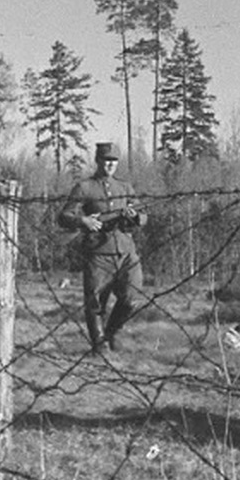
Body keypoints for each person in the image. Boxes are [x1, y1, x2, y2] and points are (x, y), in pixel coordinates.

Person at [57, 142, 148, 353]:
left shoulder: (124, 187)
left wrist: (135, 216)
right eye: (106, 160)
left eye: (114, 161)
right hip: (98, 253)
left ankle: (111, 333)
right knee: (96, 303)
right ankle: (99, 346)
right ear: (98, 161)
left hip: (126, 251)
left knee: (132, 297)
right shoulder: (85, 187)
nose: (110, 164)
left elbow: (143, 215)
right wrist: (83, 221)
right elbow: (64, 216)